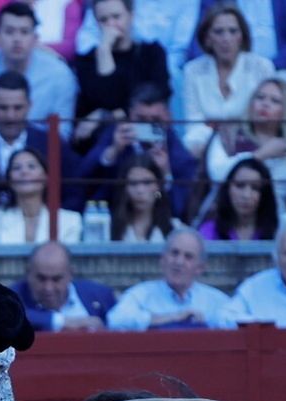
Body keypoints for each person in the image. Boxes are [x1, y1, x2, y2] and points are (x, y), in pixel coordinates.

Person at [0, 70, 81, 214]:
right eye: (3, 108)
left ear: (29, 106)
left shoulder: (53, 145)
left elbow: (73, 197)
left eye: (17, 108)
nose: (10, 116)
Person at [73, 81, 198, 218]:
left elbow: (180, 207)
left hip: (158, 216)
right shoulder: (116, 134)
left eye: (155, 119)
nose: (148, 124)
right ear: (131, 114)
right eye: (141, 119)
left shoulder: (174, 148)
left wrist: (165, 175)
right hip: (115, 211)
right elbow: (82, 177)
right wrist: (112, 152)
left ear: (167, 117)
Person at [0, 3, 77, 140]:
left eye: (24, 32)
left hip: (40, 155)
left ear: (35, 38)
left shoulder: (59, 75)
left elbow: (61, 135)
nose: (17, 39)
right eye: (9, 31)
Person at [181, 3, 275, 157]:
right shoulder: (192, 71)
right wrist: (222, 137)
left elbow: (265, 122)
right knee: (191, 142)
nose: (226, 39)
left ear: (242, 36)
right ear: (208, 38)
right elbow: (194, 125)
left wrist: (231, 133)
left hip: (253, 144)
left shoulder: (261, 67)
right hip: (207, 146)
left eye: (233, 31)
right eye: (219, 32)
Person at [205, 77, 286, 212]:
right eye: (260, 97)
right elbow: (217, 175)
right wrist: (260, 155)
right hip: (228, 215)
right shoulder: (228, 135)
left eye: (275, 101)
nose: (265, 104)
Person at [107, 228, 230, 328]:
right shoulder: (141, 295)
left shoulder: (215, 300)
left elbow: (236, 322)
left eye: (188, 257)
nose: (179, 262)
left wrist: (207, 323)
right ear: (163, 259)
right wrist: (171, 318)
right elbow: (115, 319)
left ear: (200, 268)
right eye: (174, 253)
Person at [73, 0, 169, 122]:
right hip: (103, 136)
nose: (111, 24)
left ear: (131, 16)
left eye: (116, 17)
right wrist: (104, 52)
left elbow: (156, 98)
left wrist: (107, 115)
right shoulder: (86, 61)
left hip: (144, 126)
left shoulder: (152, 54)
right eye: (103, 20)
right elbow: (104, 100)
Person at [0, 146, 83, 243]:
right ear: (9, 180)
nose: (24, 172)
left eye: (31, 166)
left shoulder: (70, 220)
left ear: (45, 177)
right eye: (16, 168)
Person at [73, 0, 200, 78]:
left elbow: (178, 49)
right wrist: (104, 50)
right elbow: (86, 39)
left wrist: (155, 70)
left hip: (162, 65)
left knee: (173, 78)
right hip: (116, 56)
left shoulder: (187, 2)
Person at [12, 240, 116, 331]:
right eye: (41, 279)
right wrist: (63, 322)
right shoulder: (12, 296)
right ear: (28, 273)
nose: (48, 288)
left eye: (56, 279)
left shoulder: (99, 294)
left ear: (70, 274)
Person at [187, 0, 286, 70]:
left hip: (277, 69)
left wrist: (269, 67)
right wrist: (220, 66)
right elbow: (201, 38)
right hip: (226, 68)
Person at [199, 155, 285, 240]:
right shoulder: (209, 232)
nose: (246, 195)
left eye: (255, 188)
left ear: (264, 194)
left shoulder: (279, 233)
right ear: (227, 188)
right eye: (240, 185)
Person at [109, 158, 175, 242]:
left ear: (158, 186)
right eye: (133, 183)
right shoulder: (107, 227)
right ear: (125, 188)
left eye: (147, 183)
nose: (140, 190)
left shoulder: (176, 230)